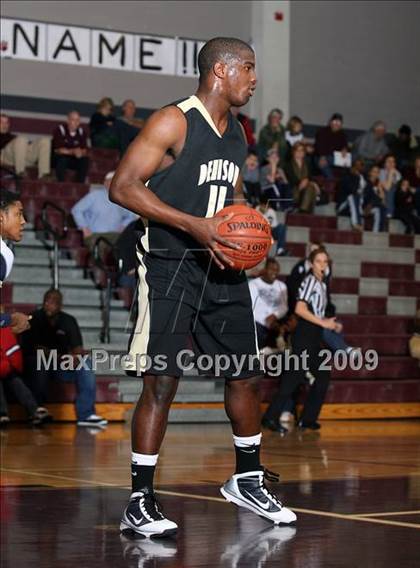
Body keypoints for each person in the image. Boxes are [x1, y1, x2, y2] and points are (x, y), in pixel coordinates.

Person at [109, 36, 296, 537]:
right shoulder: (174, 120)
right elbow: (123, 186)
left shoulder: (236, 131)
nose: (255, 79)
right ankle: (140, 498)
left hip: (221, 265)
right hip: (170, 263)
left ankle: (248, 478)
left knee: (245, 374)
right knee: (163, 381)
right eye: (249, 69)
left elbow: (232, 193)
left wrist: (247, 238)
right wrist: (195, 225)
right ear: (221, 70)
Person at [262, 248, 337, 432]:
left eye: (325, 261)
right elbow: (300, 309)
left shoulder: (323, 284)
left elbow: (316, 310)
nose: (322, 265)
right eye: (319, 261)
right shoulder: (310, 281)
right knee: (292, 379)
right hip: (304, 334)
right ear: (311, 264)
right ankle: (270, 418)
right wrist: (323, 322)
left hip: (314, 335)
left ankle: (307, 419)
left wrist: (326, 322)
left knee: (322, 376)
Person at [21, 289, 108, 428]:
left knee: (86, 363)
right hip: (37, 365)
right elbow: (37, 349)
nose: (49, 304)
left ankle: (86, 415)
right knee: (40, 361)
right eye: (46, 300)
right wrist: (62, 357)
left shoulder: (68, 320)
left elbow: (78, 348)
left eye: (53, 301)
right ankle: (36, 411)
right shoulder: (34, 318)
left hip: (60, 366)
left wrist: (76, 358)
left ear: (60, 305)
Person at [71, 171, 136, 251]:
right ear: (105, 182)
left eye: (114, 181)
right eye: (110, 181)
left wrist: (123, 226)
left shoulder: (121, 198)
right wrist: (84, 228)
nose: (112, 183)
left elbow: (131, 215)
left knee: (130, 246)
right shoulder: (95, 195)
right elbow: (77, 210)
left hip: (115, 234)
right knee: (99, 246)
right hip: (95, 234)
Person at [0, 326, 52, 427]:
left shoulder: (4, 330)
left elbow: (12, 353)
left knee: (13, 377)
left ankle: (35, 411)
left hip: (5, 368)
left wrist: (7, 367)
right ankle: (2, 414)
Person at [0, 188, 32, 334]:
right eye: (18, 214)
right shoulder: (3, 254)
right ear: (1, 217)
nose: (23, 221)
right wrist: (11, 320)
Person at [248, 258, 289, 352]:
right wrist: (266, 321)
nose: (274, 272)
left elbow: (284, 306)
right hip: (258, 323)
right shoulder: (253, 284)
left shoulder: (282, 286)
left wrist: (274, 316)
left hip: (275, 321)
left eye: (276, 270)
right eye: (272, 269)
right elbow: (252, 308)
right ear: (265, 269)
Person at [0, 114, 51, 179]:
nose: (4, 125)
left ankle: (44, 174)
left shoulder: (12, 137)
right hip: (6, 158)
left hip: (23, 157)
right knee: (21, 139)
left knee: (45, 140)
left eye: (6, 123)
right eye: (1, 122)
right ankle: (20, 172)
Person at [52, 111, 89, 183]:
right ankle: (60, 183)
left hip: (74, 158)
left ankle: (80, 184)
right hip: (60, 158)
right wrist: (73, 151)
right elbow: (58, 150)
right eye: (73, 119)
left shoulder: (81, 132)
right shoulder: (60, 130)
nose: (75, 122)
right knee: (62, 159)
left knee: (84, 160)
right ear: (68, 120)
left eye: (77, 120)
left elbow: (84, 150)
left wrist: (80, 153)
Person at [284, 142, 320, 213]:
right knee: (310, 187)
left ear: (304, 152)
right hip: (294, 191)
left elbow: (311, 177)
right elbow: (292, 180)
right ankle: (304, 210)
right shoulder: (288, 165)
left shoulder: (308, 164)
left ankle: (303, 210)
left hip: (307, 190)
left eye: (302, 150)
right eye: (297, 150)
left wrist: (311, 183)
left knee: (310, 187)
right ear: (293, 152)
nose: (300, 152)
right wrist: (305, 182)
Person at [314, 113, 349, 179]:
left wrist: (344, 149)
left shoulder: (343, 135)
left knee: (348, 162)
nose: (336, 124)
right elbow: (319, 147)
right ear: (330, 122)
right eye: (335, 121)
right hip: (320, 156)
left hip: (335, 158)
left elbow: (345, 146)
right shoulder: (322, 132)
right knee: (323, 164)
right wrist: (322, 157)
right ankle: (331, 181)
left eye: (339, 123)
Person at [336, 159, 366, 230]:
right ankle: (356, 223)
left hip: (359, 206)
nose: (358, 168)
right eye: (356, 166)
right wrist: (356, 177)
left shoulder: (365, 179)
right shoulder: (346, 177)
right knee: (352, 197)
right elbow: (352, 190)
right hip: (344, 205)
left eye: (360, 165)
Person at [363, 165, 387, 232]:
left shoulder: (378, 184)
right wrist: (378, 198)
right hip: (365, 205)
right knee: (379, 207)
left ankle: (378, 231)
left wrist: (380, 188)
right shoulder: (366, 182)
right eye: (374, 171)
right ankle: (377, 232)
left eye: (377, 172)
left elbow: (384, 201)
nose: (375, 174)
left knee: (381, 208)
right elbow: (366, 196)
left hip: (374, 205)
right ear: (370, 173)